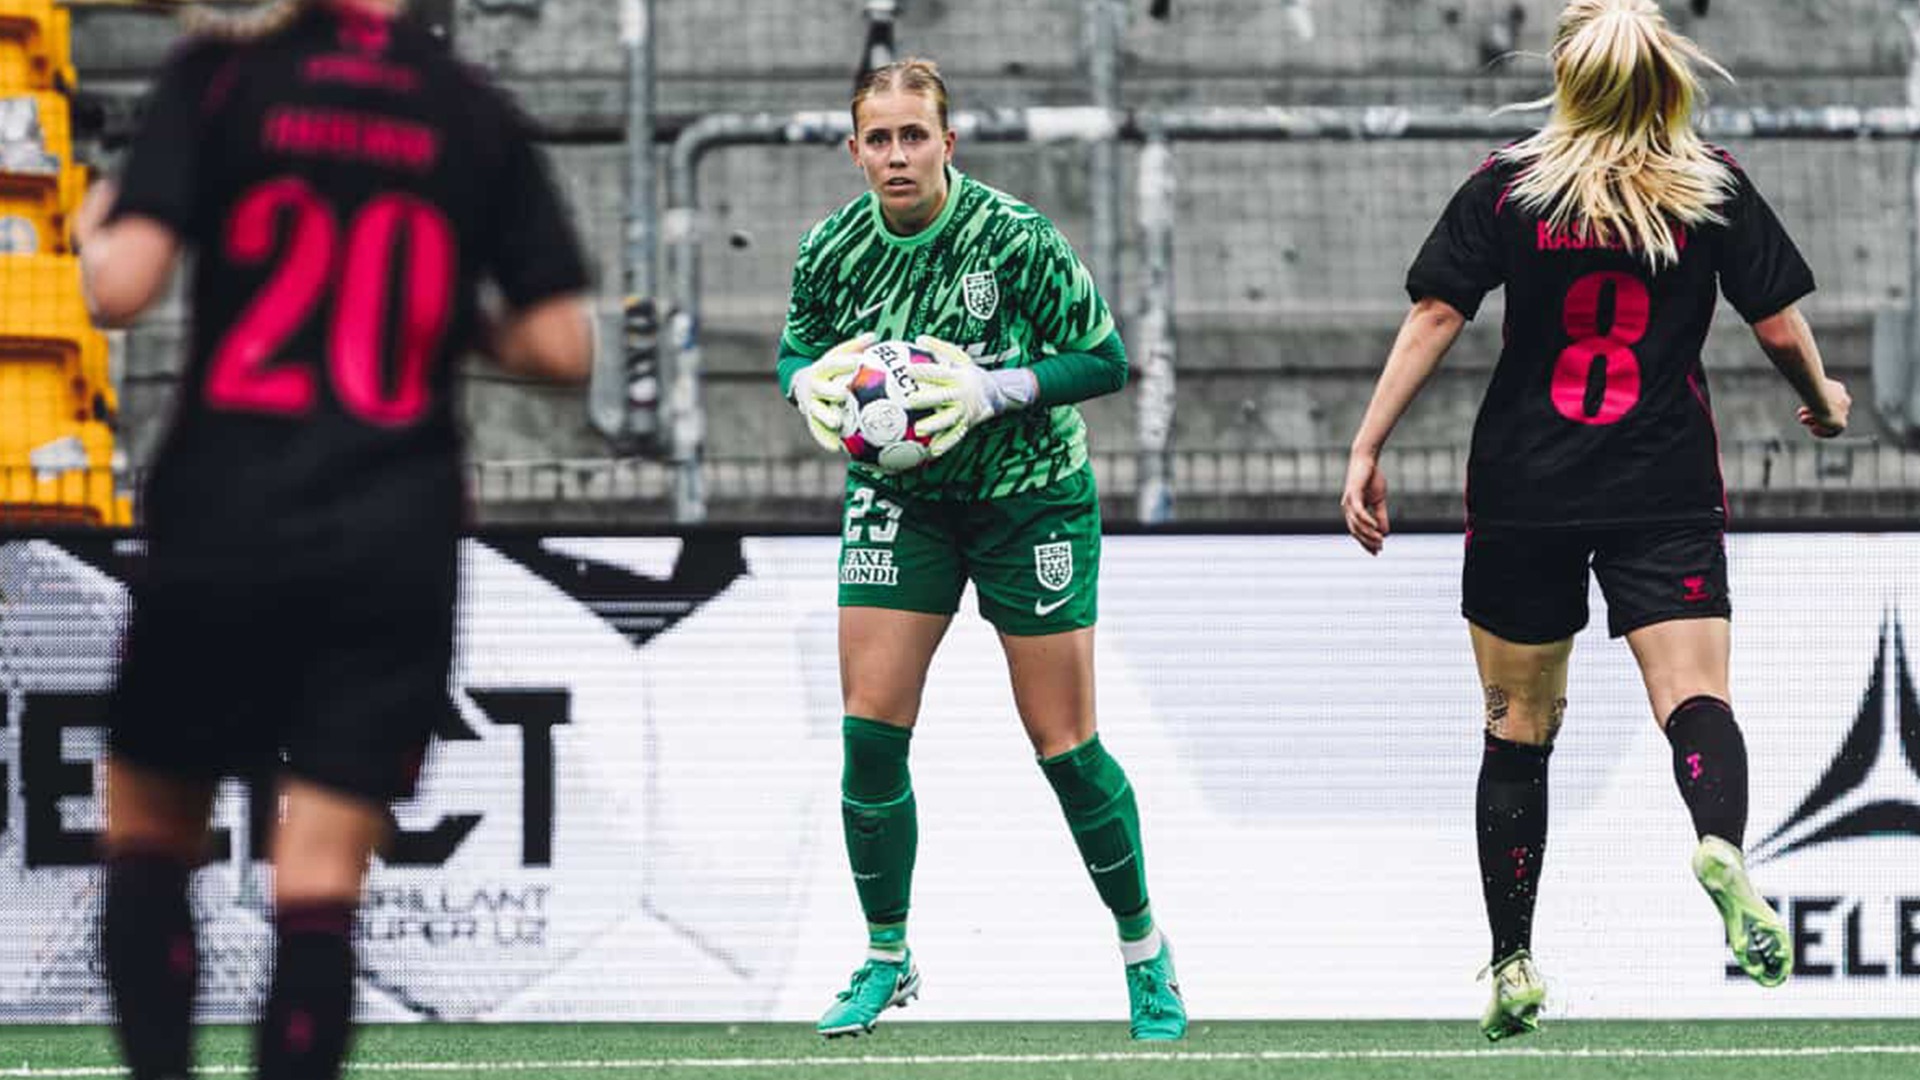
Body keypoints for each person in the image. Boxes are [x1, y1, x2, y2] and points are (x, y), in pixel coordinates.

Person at [74, 1, 593, 1077]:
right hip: (394, 534)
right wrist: (461, 321)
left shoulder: (222, 73)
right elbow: (563, 342)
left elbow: (122, 289)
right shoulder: (473, 111)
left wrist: (93, 226)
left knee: (150, 834)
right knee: (318, 874)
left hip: (226, 513)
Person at [1339, 0, 1848, 1043]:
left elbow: (1436, 313)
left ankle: (1514, 962)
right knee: (1694, 695)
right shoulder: (1712, 187)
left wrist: (1367, 445)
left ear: (1570, 81)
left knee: (1518, 733)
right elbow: (1781, 326)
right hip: (1659, 483)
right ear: (1665, 77)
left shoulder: (1511, 186)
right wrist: (1825, 396)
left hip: (1525, 486)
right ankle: (1719, 842)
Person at [778, 58, 1185, 1041]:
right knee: (870, 735)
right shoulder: (831, 251)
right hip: (901, 500)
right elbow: (798, 346)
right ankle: (886, 957)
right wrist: (806, 385)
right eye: (879, 139)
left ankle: (1145, 955)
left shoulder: (1012, 236)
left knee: (1066, 747)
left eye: (915, 135)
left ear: (947, 143)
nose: (898, 154)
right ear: (855, 152)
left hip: (1028, 499)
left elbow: (1105, 358)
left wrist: (990, 391)